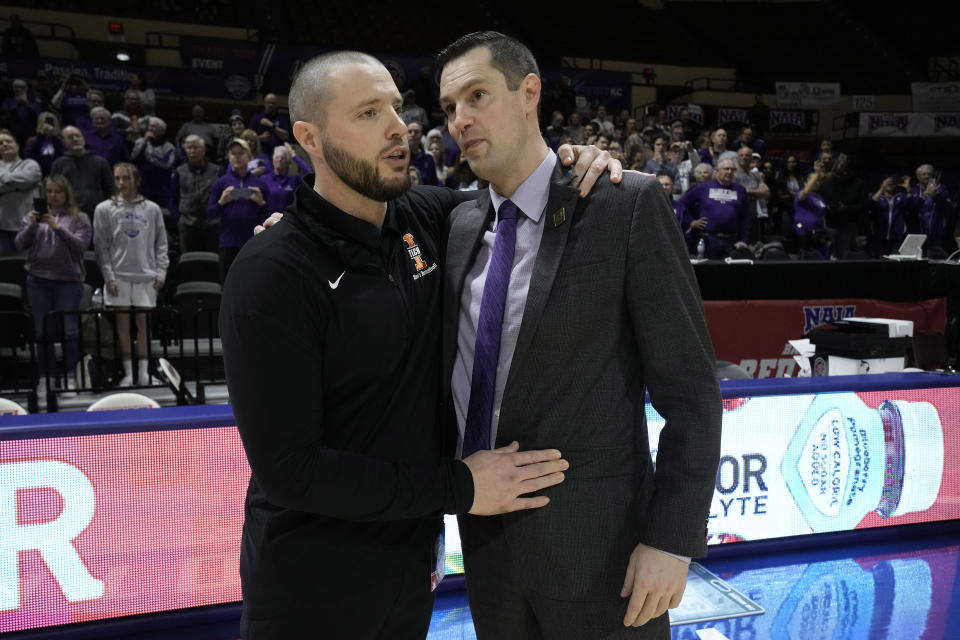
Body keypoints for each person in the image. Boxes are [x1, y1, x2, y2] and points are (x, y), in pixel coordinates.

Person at [222, 49, 624, 639]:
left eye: (395, 105)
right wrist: (461, 486)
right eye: (366, 113)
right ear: (308, 136)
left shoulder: (426, 219)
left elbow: (524, 195)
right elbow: (290, 470)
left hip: (409, 570)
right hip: (311, 586)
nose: (396, 127)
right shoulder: (271, 272)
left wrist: (573, 160)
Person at [437, 31, 721, 638]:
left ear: (528, 92)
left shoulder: (626, 204)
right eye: (449, 108)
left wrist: (671, 542)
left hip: (605, 557)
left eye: (477, 96)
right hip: (486, 551)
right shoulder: (456, 224)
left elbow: (691, 394)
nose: (460, 120)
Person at [15, 175, 92, 394]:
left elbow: (81, 246)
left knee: (70, 331)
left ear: (66, 193)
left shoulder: (80, 218)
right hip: (38, 280)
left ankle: (70, 376)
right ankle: (45, 377)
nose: (53, 196)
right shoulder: (33, 217)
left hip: (68, 281)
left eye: (58, 191)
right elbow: (19, 243)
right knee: (43, 332)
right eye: (49, 191)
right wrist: (31, 226)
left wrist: (58, 227)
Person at [93, 163, 168, 387]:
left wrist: (161, 271)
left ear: (136, 179)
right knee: (123, 326)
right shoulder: (104, 209)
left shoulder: (152, 209)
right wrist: (109, 277)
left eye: (126, 178)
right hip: (119, 276)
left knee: (144, 325)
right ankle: (128, 372)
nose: (121, 183)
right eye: (117, 179)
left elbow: (161, 244)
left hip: (146, 275)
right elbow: (101, 247)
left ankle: (144, 373)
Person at [205, 138, 267, 280]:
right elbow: (209, 214)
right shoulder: (221, 182)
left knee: (252, 283)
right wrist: (221, 202)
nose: (237, 157)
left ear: (249, 156)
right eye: (233, 153)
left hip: (253, 242)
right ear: (228, 156)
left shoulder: (259, 183)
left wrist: (261, 203)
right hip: (228, 242)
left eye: (241, 153)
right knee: (226, 284)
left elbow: (270, 213)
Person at [680, 157, 750, 259]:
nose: (730, 172)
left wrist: (743, 240)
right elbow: (681, 204)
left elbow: (745, 217)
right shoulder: (703, 188)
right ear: (717, 171)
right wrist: (691, 221)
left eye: (732, 169)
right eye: (726, 169)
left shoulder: (740, 190)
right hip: (708, 239)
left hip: (731, 241)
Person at [170, 134, 221, 253]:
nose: (192, 151)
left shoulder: (217, 171)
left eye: (196, 147)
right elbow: (173, 197)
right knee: (189, 263)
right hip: (188, 225)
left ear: (203, 151)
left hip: (212, 226)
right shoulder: (179, 171)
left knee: (212, 263)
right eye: (189, 148)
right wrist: (178, 219)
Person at [51, 126, 114, 217]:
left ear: (83, 138)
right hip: (68, 214)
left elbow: (110, 189)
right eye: (70, 137)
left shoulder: (100, 161)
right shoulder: (58, 164)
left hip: (97, 213)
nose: (75, 139)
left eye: (78, 136)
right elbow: (54, 191)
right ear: (64, 142)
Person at [0, 129, 42, 256]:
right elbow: (26, 182)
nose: (5, 144)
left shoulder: (31, 164)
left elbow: (31, 178)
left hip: (27, 225)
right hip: (2, 227)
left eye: (8, 141)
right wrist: (20, 185)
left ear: (17, 146)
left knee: (27, 265)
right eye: (1, 143)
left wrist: (5, 179)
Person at [130, 117, 176, 211]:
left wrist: (150, 153)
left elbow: (166, 163)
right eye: (150, 126)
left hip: (161, 189)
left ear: (162, 131)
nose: (151, 129)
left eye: (154, 127)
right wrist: (145, 141)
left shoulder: (169, 147)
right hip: (142, 187)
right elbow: (133, 157)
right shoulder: (140, 142)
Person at [907, 163, 952, 254]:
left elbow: (948, 208)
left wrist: (936, 195)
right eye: (924, 174)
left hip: (937, 233)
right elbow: (910, 209)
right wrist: (923, 196)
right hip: (917, 233)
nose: (927, 176)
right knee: (916, 261)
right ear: (918, 176)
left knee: (935, 260)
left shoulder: (941, 188)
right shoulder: (913, 190)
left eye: (929, 174)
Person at [733, 146, 770, 243]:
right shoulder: (732, 174)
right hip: (736, 217)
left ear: (751, 158)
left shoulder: (756, 175)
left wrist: (746, 191)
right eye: (741, 155)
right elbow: (736, 194)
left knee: (754, 248)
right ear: (737, 158)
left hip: (753, 217)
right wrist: (756, 192)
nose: (744, 157)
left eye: (747, 155)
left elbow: (766, 193)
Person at [870, 175, 908, 256]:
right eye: (887, 183)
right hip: (879, 235)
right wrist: (882, 189)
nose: (890, 184)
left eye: (892, 183)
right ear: (881, 184)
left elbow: (911, 205)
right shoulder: (875, 195)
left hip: (897, 235)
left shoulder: (900, 196)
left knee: (895, 261)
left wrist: (907, 189)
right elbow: (872, 204)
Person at [248, 93, 291, 157]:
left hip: (278, 155)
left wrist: (271, 126)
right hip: (259, 154)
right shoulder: (257, 118)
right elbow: (249, 138)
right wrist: (261, 138)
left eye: (273, 103)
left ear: (277, 105)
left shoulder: (282, 119)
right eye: (268, 102)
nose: (271, 105)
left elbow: (286, 137)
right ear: (264, 103)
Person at [1, 78, 42, 146]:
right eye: (16, 87)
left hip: (30, 135)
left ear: (26, 88)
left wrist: (27, 105)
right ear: (13, 88)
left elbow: (38, 117)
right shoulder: (8, 102)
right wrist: (17, 104)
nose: (19, 89)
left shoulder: (34, 103)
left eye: (22, 87)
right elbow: (5, 116)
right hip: (13, 135)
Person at [23, 112, 64, 177]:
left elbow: (62, 156)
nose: (48, 126)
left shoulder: (61, 140)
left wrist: (54, 137)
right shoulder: (33, 140)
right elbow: (28, 156)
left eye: (50, 123)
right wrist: (40, 136)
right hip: (38, 174)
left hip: (58, 173)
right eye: (45, 123)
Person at [407, 121, 439, 186]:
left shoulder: (429, 158)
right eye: (410, 131)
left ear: (421, 135)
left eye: (416, 132)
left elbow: (434, 182)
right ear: (405, 134)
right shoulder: (400, 157)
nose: (413, 134)